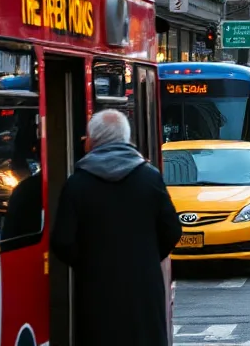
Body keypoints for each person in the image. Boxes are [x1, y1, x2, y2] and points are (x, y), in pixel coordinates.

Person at [50, 110, 181, 346]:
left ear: (92, 141)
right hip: (144, 291)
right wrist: (147, 257)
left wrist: (90, 264)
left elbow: (62, 241)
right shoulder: (150, 178)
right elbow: (172, 230)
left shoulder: (77, 183)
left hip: (96, 293)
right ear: (126, 139)